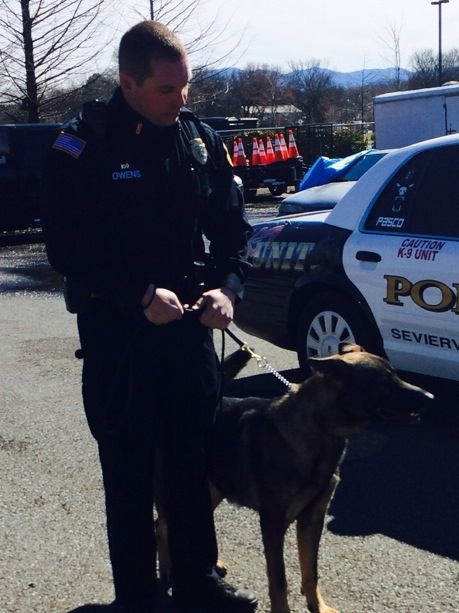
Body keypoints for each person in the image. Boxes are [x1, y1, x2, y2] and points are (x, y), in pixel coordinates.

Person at [42, 21, 257, 612]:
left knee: (192, 463)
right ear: (128, 83)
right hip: (120, 340)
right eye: (167, 90)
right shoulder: (83, 145)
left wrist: (228, 290)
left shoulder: (198, 140)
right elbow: (66, 248)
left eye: (186, 87)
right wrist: (137, 295)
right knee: (130, 474)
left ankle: (197, 584)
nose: (180, 99)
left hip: (188, 335)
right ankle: (136, 597)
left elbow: (233, 231)